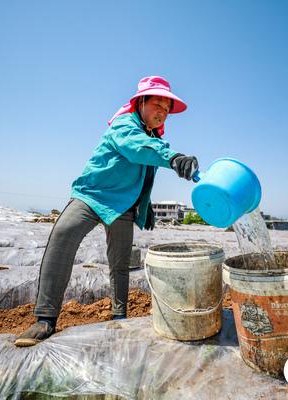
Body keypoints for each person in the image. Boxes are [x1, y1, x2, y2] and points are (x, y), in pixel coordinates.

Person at [15, 76, 198, 347]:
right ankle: (45, 318)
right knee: (63, 237)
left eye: (166, 108)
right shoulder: (125, 124)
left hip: (123, 205)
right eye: (156, 104)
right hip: (92, 196)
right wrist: (173, 158)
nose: (161, 112)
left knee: (120, 262)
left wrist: (144, 207)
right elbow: (136, 149)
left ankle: (118, 316)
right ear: (141, 103)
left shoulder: (155, 138)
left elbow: (147, 175)